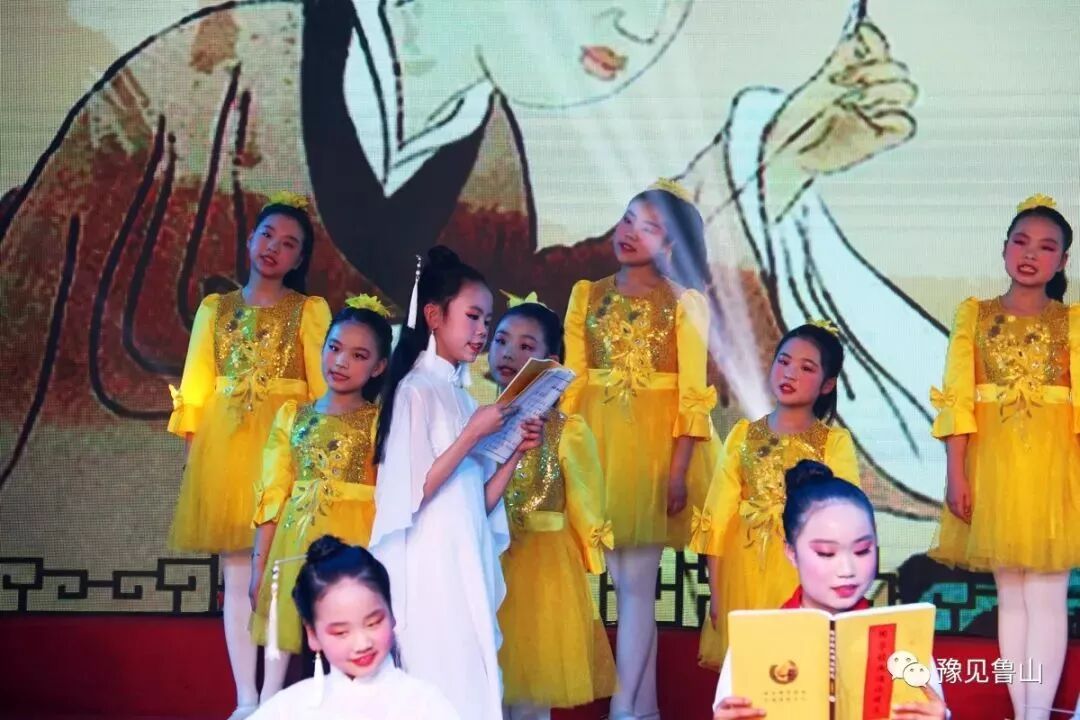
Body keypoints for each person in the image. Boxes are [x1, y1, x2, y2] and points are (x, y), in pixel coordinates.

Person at [166, 193, 330, 719]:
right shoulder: (216, 310)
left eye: (289, 244)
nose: (274, 248)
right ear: (250, 239)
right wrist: (201, 468)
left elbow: (322, 393)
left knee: (278, 578)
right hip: (227, 458)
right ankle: (246, 699)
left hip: (284, 457)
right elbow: (196, 392)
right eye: (268, 236)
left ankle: (276, 700)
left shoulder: (308, 311)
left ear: (299, 258)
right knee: (237, 579)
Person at [562, 180, 719, 720]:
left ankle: (625, 710)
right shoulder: (587, 294)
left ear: (669, 245)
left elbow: (693, 395)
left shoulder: (684, 303)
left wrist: (678, 471)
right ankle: (642, 708)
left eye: (649, 228)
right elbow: (572, 384)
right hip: (595, 451)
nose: (630, 233)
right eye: (629, 219)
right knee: (625, 586)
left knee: (636, 587)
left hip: (654, 456)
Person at [369, 246, 544, 720]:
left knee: (474, 685)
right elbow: (412, 492)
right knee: (440, 686)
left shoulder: (463, 397)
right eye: (472, 316)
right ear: (434, 316)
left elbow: (476, 501)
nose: (482, 330)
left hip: (465, 557)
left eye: (487, 319)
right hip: (429, 565)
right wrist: (472, 435)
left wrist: (514, 453)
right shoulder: (414, 390)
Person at [928, 195, 1080, 720]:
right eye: (1021, 241)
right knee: (1011, 598)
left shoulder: (1073, 322)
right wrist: (956, 473)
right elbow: (957, 401)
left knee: (1047, 595)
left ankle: (1037, 714)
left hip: (1055, 472)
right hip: (992, 469)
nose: (1030, 254)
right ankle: (1024, 712)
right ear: (1004, 248)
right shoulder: (974, 315)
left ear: (1063, 261)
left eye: (1046, 247)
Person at [712, 460, 948, 720]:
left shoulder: (902, 637)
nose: (847, 569)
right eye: (826, 553)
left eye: (862, 550)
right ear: (791, 552)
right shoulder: (756, 640)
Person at [691, 322, 859, 669]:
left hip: (804, 577)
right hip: (744, 577)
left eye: (806, 368)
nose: (790, 373)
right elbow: (716, 521)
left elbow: (846, 521)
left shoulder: (833, 443)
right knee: (750, 676)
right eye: (783, 361)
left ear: (827, 384)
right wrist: (717, 594)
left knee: (802, 673)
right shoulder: (743, 436)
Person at [249, 295, 392, 699]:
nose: (341, 362)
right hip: (293, 548)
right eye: (335, 347)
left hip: (355, 548)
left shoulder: (380, 422)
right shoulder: (292, 416)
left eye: (359, 355)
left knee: (350, 650)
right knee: (281, 653)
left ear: (379, 367)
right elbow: (272, 495)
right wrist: (260, 566)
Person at [489, 294, 616, 720]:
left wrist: (587, 559)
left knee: (531, 696)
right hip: (484, 563)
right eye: (501, 341)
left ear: (552, 363)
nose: (509, 353)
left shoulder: (566, 431)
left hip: (542, 573)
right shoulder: (473, 421)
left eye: (526, 346)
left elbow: (586, 504)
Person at [249, 535, 460, 719]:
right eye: (341, 632)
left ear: (391, 613)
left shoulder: (424, 705)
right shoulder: (288, 709)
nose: (362, 643)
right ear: (313, 634)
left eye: (373, 623)